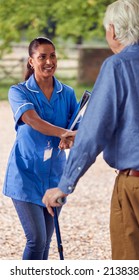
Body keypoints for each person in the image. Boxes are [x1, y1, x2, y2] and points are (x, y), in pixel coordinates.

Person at [43, 0, 139, 260]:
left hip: (137, 189)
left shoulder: (117, 66)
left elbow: (94, 132)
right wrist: (80, 135)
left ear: (112, 30)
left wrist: (64, 186)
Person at [3, 37, 78, 260]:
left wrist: (72, 137)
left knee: (45, 242)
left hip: (55, 179)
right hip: (25, 176)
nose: (48, 61)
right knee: (36, 240)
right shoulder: (19, 92)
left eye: (52, 55)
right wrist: (63, 133)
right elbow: (31, 119)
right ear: (31, 61)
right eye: (42, 56)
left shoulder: (67, 93)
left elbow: (79, 128)